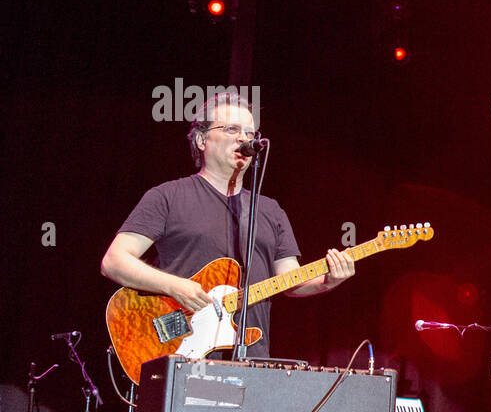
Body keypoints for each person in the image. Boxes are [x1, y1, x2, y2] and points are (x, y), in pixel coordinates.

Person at [101, 95, 354, 360]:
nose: (243, 139)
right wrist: (175, 286)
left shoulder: (270, 210)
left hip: (250, 357)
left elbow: (289, 280)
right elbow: (115, 261)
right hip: (182, 354)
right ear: (201, 140)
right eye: (231, 129)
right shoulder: (168, 196)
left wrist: (328, 280)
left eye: (249, 132)